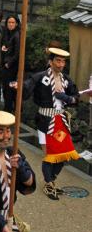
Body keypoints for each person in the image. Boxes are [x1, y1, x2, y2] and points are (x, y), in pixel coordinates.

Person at [18, 47, 81, 201]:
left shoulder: (66, 79)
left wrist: (66, 97)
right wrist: (18, 86)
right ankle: (49, 183)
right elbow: (27, 87)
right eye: (58, 60)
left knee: (65, 155)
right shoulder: (41, 77)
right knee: (50, 155)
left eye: (63, 61)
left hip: (61, 121)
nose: (61, 64)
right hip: (45, 121)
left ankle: (50, 179)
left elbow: (76, 97)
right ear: (50, 61)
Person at [0, 15, 20, 113]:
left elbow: (17, 53)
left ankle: (8, 108)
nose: (11, 24)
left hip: (11, 66)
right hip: (6, 63)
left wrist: (9, 63)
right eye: (9, 22)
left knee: (8, 88)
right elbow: (7, 45)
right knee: (7, 87)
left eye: (13, 22)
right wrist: (4, 47)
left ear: (16, 24)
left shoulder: (17, 35)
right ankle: (8, 107)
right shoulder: (7, 33)